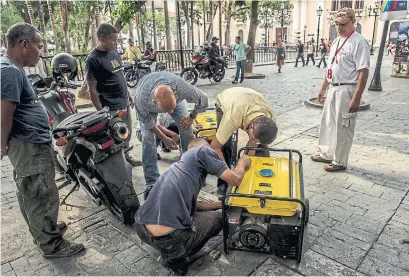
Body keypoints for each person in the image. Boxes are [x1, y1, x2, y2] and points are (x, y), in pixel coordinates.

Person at [1, 23, 84, 258]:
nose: (41, 52)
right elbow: (4, 114)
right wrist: (2, 144)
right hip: (28, 145)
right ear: (24, 44)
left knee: (31, 191)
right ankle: (52, 245)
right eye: (39, 46)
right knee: (41, 194)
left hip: (28, 143)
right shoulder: (9, 71)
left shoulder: (12, 68)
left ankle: (43, 230)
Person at [134, 138, 251, 275]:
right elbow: (235, 179)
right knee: (220, 218)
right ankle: (174, 258)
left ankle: (168, 249)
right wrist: (241, 163)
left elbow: (192, 205)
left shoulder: (180, 168)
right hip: (171, 239)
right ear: (202, 147)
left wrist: (220, 204)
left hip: (142, 229)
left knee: (204, 213)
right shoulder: (202, 151)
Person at [311, 7, 370, 172]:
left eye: (342, 24)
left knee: (344, 127)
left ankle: (340, 160)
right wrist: (323, 88)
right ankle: (326, 153)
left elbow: (363, 71)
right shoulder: (336, 41)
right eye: (336, 24)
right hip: (333, 87)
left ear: (352, 22)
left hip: (347, 88)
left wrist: (357, 97)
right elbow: (330, 67)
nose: (339, 27)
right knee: (328, 122)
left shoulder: (359, 42)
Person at [134, 71, 209, 196]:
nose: (171, 112)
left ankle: (190, 170)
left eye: (172, 108)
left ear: (175, 94)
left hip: (173, 97)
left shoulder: (181, 87)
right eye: (167, 110)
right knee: (148, 139)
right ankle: (152, 181)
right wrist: (165, 138)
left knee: (186, 129)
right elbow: (150, 125)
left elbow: (204, 99)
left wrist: (191, 117)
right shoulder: (142, 99)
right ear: (155, 103)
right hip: (148, 101)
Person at [85, 23, 141, 167]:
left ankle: (126, 157)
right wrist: (101, 112)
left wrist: (128, 96)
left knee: (125, 133)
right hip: (110, 106)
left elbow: (120, 76)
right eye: (113, 40)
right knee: (114, 136)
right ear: (102, 38)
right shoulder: (93, 60)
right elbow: (92, 88)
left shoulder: (114, 53)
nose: (115, 43)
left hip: (124, 103)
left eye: (117, 40)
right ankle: (117, 164)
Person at [210, 87, 278, 198]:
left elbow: (254, 145)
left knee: (262, 149)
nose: (255, 142)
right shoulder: (232, 117)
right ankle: (223, 184)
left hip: (251, 99)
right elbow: (214, 147)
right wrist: (229, 175)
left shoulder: (270, 119)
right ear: (251, 126)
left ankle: (257, 180)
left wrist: (246, 164)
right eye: (254, 139)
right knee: (225, 145)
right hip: (229, 99)